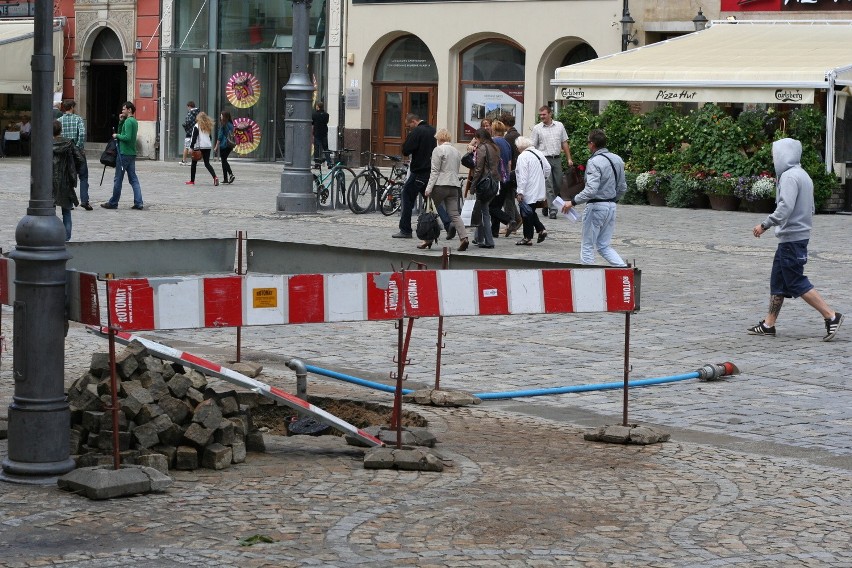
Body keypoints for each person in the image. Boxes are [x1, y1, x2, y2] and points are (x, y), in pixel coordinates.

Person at [748, 137, 843, 342]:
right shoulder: (803, 175)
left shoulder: (790, 177)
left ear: (783, 155)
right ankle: (768, 324)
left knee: (795, 281)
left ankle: (831, 315)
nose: (774, 158)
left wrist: (765, 224)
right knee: (778, 281)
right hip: (794, 237)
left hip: (792, 238)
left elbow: (785, 207)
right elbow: (811, 208)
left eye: (776, 154)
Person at [561, 129, 627, 266]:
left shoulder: (594, 162)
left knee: (587, 246)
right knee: (604, 246)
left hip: (596, 206)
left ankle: (588, 280)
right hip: (611, 206)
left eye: (588, 142)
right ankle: (624, 271)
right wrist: (612, 200)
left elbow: (591, 190)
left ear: (592, 144)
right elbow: (622, 187)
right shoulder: (617, 159)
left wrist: (572, 202)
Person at [393, 113, 439, 238]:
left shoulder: (417, 132)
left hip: (419, 170)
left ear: (414, 121)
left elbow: (406, 150)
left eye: (409, 126)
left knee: (407, 195)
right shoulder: (433, 130)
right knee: (432, 199)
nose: (409, 128)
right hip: (431, 171)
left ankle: (405, 229)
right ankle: (448, 223)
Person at [423, 128, 468, 251]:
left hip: (440, 185)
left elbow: (435, 171)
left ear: (439, 139)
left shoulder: (438, 150)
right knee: (454, 214)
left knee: (430, 212)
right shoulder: (456, 151)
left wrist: (428, 188)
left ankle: (428, 239)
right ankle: (464, 238)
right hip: (454, 185)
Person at [530, 105, 573, 219]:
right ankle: (553, 210)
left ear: (550, 114)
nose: (542, 117)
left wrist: (569, 158)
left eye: (544, 114)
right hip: (544, 159)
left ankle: (546, 204)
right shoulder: (537, 128)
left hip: (557, 158)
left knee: (558, 184)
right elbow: (533, 146)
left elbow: (564, 143)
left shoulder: (559, 126)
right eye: (541, 115)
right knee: (548, 185)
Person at [101, 101, 144, 210]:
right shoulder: (133, 121)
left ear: (129, 110)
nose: (122, 111)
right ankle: (139, 202)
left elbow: (127, 137)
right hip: (131, 153)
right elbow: (124, 132)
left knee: (118, 179)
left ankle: (113, 202)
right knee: (133, 179)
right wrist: (121, 122)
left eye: (124, 109)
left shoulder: (129, 122)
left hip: (124, 153)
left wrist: (117, 135)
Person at [514, 136, 550, 246]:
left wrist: (520, 192)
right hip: (538, 187)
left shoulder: (523, 156)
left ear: (520, 147)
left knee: (526, 213)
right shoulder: (538, 153)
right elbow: (548, 168)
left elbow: (523, 176)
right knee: (531, 211)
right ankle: (541, 230)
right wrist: (542, 178)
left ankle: (527, 237)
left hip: (528, 188)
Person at [469, 127, 500, 249]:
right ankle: (480, 239)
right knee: (484, 210)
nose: (475, 140)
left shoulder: (483, 148)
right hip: (495, 181)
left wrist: (473, 185)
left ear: (480, 138)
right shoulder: (495, 147)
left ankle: (488, 240)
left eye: (476, 138)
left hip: (485, 182)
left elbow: (478, 169)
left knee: (484, 212)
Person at [52, 120, 82, 241]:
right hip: (66, 180)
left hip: (49, 181)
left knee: (50, 212)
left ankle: (52, 236)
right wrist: (73, 169)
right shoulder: (69, 143)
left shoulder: (45, 143)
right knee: (66, 212)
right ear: (61, 130)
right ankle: (66, 238)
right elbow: (80, 159)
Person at [489, 120, 519, 239]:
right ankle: (494, 231)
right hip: (505, 178)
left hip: (496, 178)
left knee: (491, 207)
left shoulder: (493, 142)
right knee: (497, 205)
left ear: (493, 130)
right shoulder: (506, 143)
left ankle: (509, 220)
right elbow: (510, 162)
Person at [58, 100, 91, 210]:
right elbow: (82, 133)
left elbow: (57, 136)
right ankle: (85, 200)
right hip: (77, 152)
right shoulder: (78, 119)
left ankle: (69, 201)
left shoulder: (59, 120)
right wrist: (78, 146)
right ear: (72, 107)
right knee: (83, 176)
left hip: (65, 152)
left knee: (67, 176)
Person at [186, 112, 219, 186]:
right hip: (207, 146)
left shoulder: (197, 126)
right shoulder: (208, 126)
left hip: (199, 146)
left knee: (194, 163)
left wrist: (191, 147)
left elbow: (194, 138)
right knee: (207, 163)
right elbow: (210, 137)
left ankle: (192, 180)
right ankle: (215, 177)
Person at [213, 111, 236, 184]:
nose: (220, 117)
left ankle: (230, 175)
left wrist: (216, 146)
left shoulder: (223, 125)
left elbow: (220, 137)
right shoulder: (231, 125)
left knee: (224, 161)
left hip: (224, 145)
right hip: (230, 145)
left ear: (225, 117)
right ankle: (227, 178)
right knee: (224, 160)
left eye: (221, 116)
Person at [312, 101, 332, 168]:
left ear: (317, 106)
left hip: (317, 133)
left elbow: (312, 123)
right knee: (326, 148)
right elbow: (326, 122)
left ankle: (317, 163)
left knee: (316, 149)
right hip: (324, 133)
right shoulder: (326, 115)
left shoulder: (314, 114)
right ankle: (329, 163)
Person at [180, 101, 200, 165]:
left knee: (186, 147)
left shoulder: (190, 113)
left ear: (189, 106)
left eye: (187, 107)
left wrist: (184, 126)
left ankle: (184, 160)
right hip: (196, 131)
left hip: (189, 132)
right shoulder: (198, 113)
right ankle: (194, 160)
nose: (187, 109)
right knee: (194, 146)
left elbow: (187, 122)